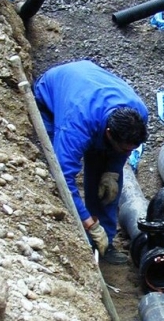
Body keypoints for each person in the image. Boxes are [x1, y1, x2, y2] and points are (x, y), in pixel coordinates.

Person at [33, 60, 148, 265]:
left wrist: (112, 171)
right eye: (123, 149)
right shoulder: (75, 126)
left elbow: (123, 149)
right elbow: (63, 178)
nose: (126, 153)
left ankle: (105, 243)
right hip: (51, 97)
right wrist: (88, 223)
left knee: (107, 188)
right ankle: (81, 243)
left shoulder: (138, 114)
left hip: (90, 94)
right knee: (55, 175)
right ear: (109, 134)